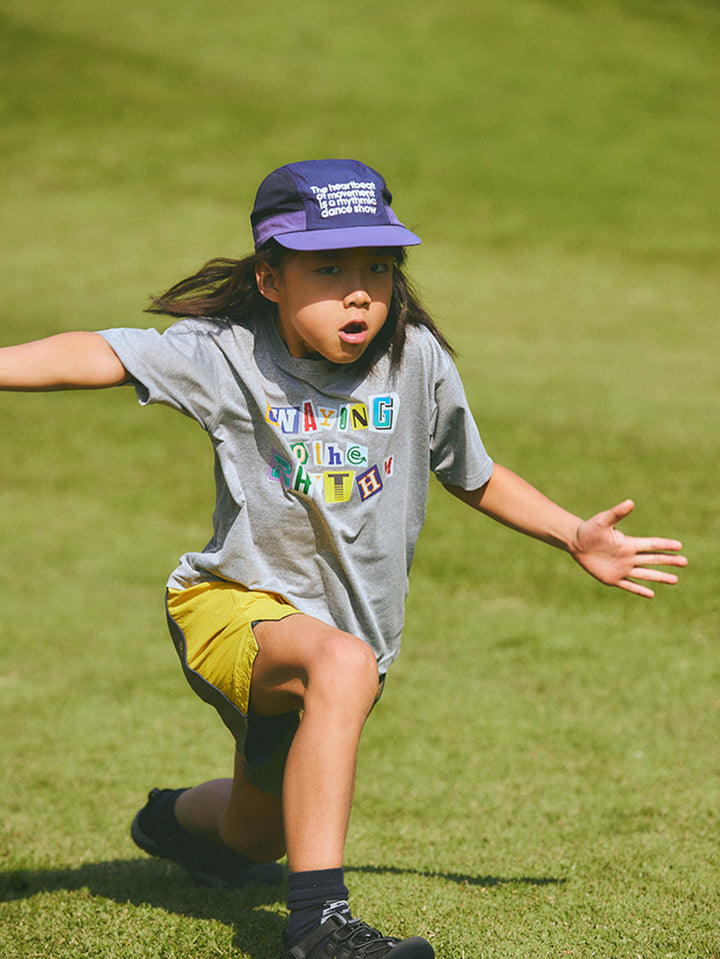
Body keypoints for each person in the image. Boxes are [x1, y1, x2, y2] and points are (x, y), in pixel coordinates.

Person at [0, 158, 687, 959]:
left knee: (258, 834)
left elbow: (474, 471)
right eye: (328, 268)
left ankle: (171, 822)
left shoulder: (416, 358)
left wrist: (574, 534)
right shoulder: (227, 353)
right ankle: (320, 928)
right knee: (343, 665)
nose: (360, 289)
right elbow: (105, 353)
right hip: (228, 606)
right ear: (270, 277)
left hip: (342, 640)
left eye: (378, 267)